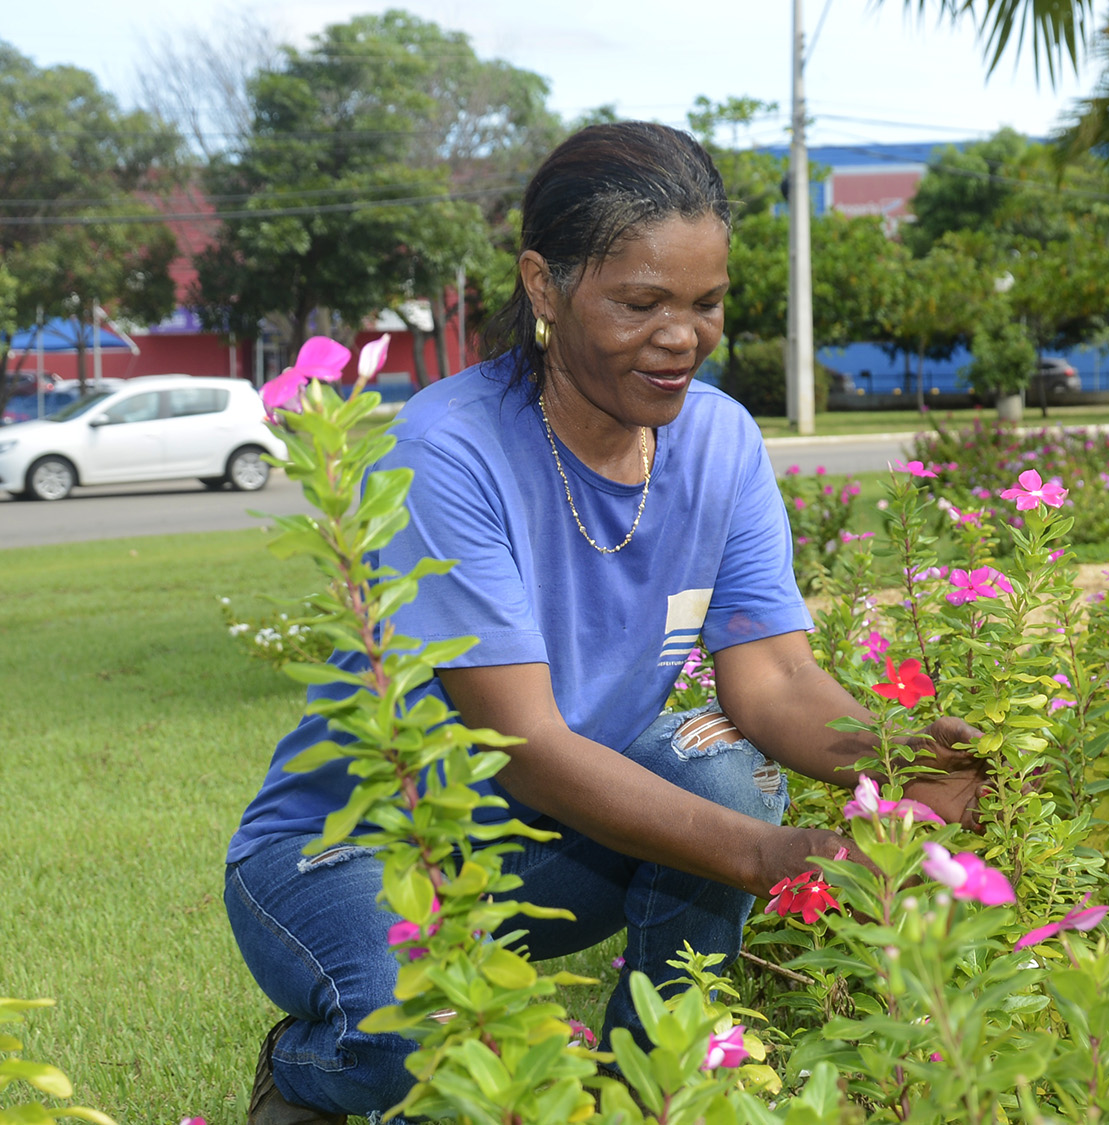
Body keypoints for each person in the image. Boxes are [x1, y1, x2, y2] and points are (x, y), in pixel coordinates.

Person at [223, 122, 988, 1125]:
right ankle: (305, 1075)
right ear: (543, 287)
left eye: (706, 303)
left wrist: (905, 755)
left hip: (540, 846)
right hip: (350, 847)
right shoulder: (445, 452)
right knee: (412, 1035)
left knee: (723, 765)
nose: (682, 337)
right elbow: (525, 745)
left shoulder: (717, 442)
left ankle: (648, 1092)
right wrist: (773, 855)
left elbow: (775, 686)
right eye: (640, 304)